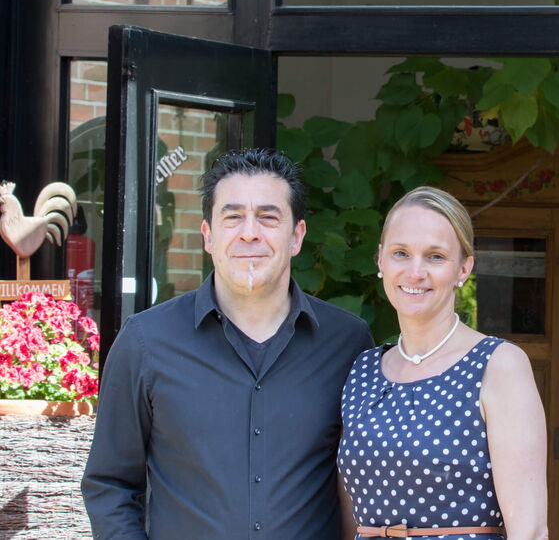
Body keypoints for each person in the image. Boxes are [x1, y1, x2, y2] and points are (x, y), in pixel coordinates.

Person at [82, 148, 373, 539]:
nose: (249, 232)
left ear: (296, 236)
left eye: (268, 217)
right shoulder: (146, 341)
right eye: (233, 217)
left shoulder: (348, 344)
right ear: (208, 235)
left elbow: (365, 480)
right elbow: (110, 485)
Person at [338, 186, 548, 539]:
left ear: (463, 268)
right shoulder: (363, 371)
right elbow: (350, 515)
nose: (415, 272)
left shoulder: (498, 365)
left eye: (435, 256)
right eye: (401, 253)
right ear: (380, 261)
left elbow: (530, 530)